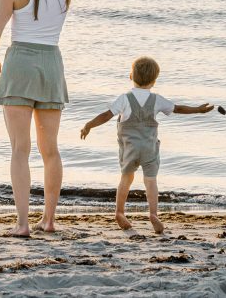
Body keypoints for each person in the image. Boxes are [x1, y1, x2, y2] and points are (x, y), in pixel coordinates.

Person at [0, 0, 77, 237]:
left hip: (21, 63)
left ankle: (22, 224)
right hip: (51, 64)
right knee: (50, 150)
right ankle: (49, 220)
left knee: (20, 149)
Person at [80, 56, 215, 235]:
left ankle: (120, 212)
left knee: (126, 179)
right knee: (150, 181)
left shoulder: (124, 99)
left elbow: (106, 115)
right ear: (154, 80)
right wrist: (198, 110)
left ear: (131, 76)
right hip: (150, 148)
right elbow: (178, 109)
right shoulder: (156, 100)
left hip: (129, 149)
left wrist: (89, 125)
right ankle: (153, 214)